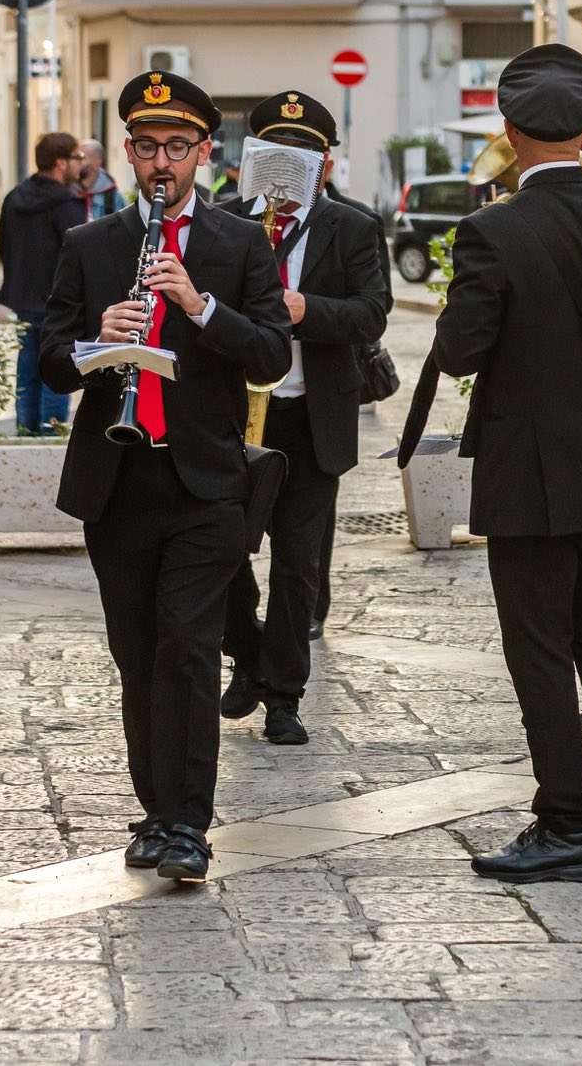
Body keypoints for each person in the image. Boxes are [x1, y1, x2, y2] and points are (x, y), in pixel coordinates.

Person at [399, 43, 582, 883]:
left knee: (538, 648)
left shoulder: (491, 230)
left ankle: (563, 820)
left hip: (531, 469)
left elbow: (458, 351)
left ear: (510, 131)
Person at [40, 70, 293, 882]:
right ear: (127, 152)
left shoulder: (237, 244)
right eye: (146, 147)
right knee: (138, 652)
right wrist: (93, 342)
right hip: (117, 482)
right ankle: (154, 811)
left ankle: (188, 823)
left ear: (202, 155)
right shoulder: (92, 245)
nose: (161, 162)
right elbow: (48, 355)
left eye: (176, 148)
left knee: (188, 647)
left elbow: (271, 357)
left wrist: (199, 307)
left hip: (204, 483)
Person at [218, 90, 391, 744]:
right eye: (274, 151)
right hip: (235, 414)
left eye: (304, 154)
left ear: (325, 165)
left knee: (297, 563)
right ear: (253, 158)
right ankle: (246, 655)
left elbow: (372, 313)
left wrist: (305, 310)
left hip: (310, 415)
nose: (289, 165)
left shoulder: (353, 227)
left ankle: (285, 695)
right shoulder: (227, 218)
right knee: (226, 550)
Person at [0, 133, 88, 436]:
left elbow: (4, 245)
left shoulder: (15, 197)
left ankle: (26, 432)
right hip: (57, 299)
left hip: (23, 296)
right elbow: (79, 255)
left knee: (26, 369)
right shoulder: (68, 202)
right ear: (61, 163)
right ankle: (52, 434)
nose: (82, 163)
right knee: (56, 369)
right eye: (77, 157)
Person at [77, 139, 123, 220]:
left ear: (97, 162)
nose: (78, 162)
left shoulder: (113, 197)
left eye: (82, 158)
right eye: (77, 157)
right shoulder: (68, 190)